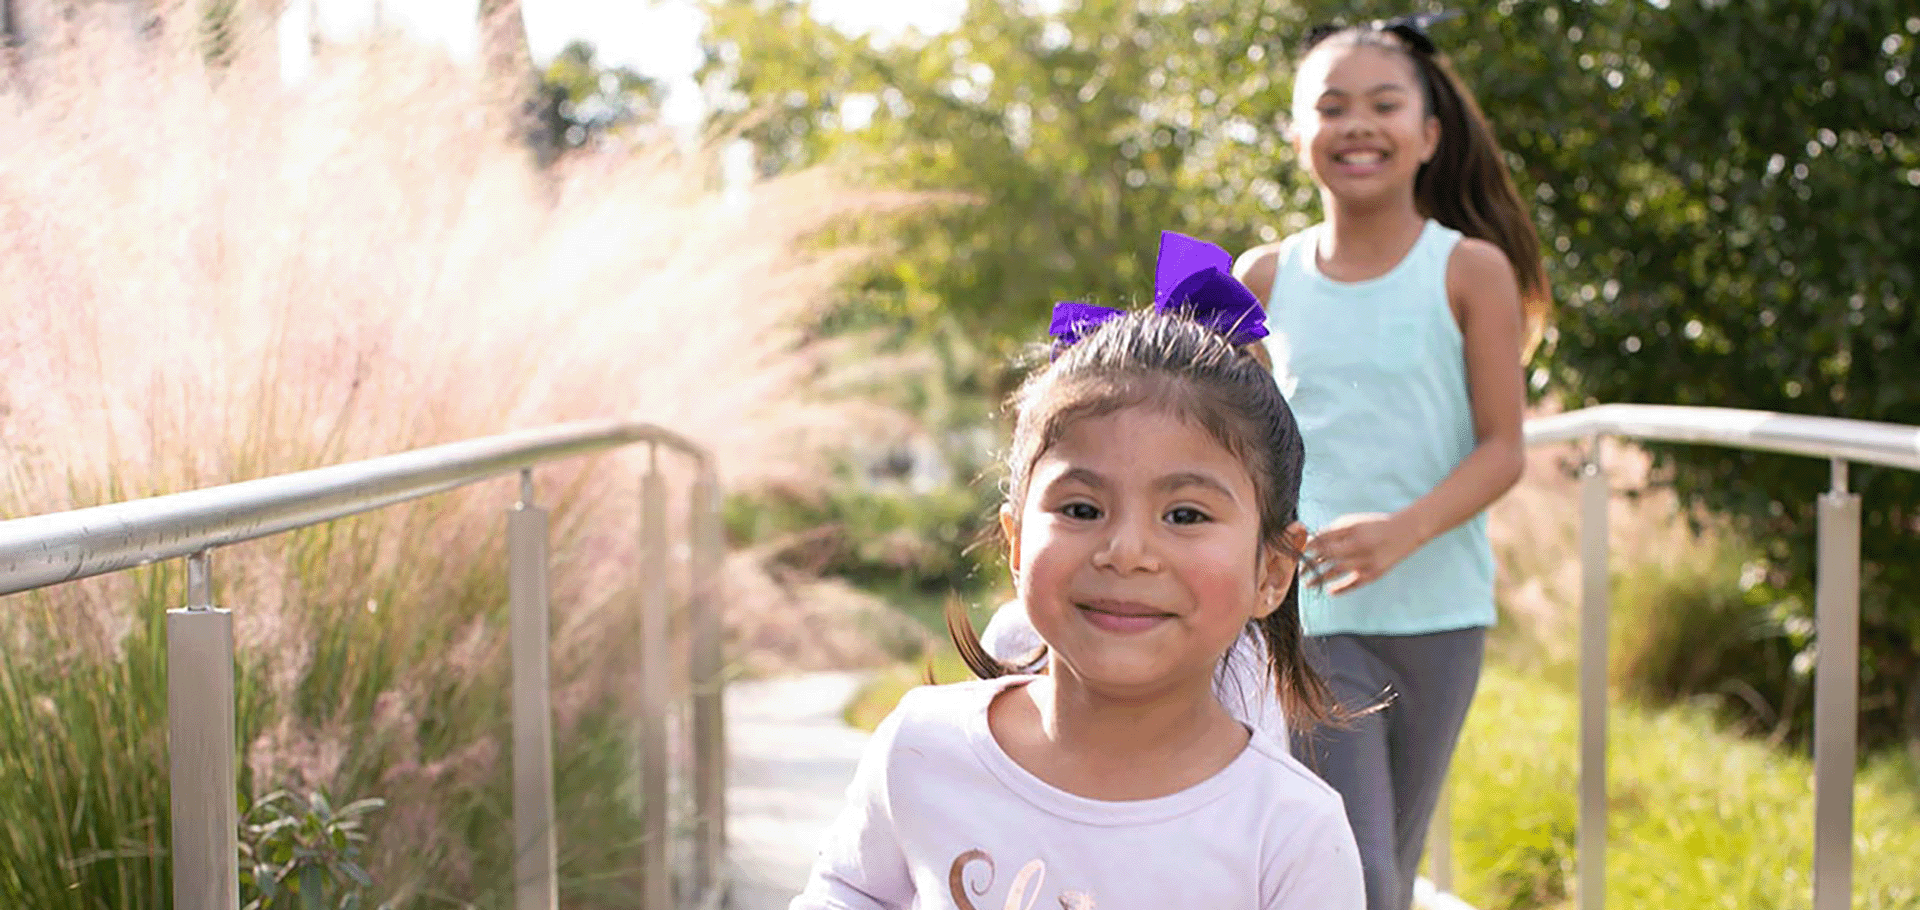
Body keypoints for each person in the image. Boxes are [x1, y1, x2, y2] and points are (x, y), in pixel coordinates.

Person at [791, 233, 1364, 909]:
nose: (1125, 551)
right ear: (1014, 537)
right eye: (1082, 507)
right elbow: (845, 891)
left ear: (1271, 570)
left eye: (1184, 516)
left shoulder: (1290, 832)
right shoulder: (922, 749)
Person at [1231, 14, 1548, 910]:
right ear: (1297, 136)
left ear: (1428, 134)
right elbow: (1223, 437)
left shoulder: (1472, 271)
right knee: (1356, 870)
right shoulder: (1263, 277)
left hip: (1442, 616)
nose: (1357, 124)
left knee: (1392, 871)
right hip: (1312, 616)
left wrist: (1404, 532)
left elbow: (1504, 450)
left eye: (1383, 104)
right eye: (1330, 107)